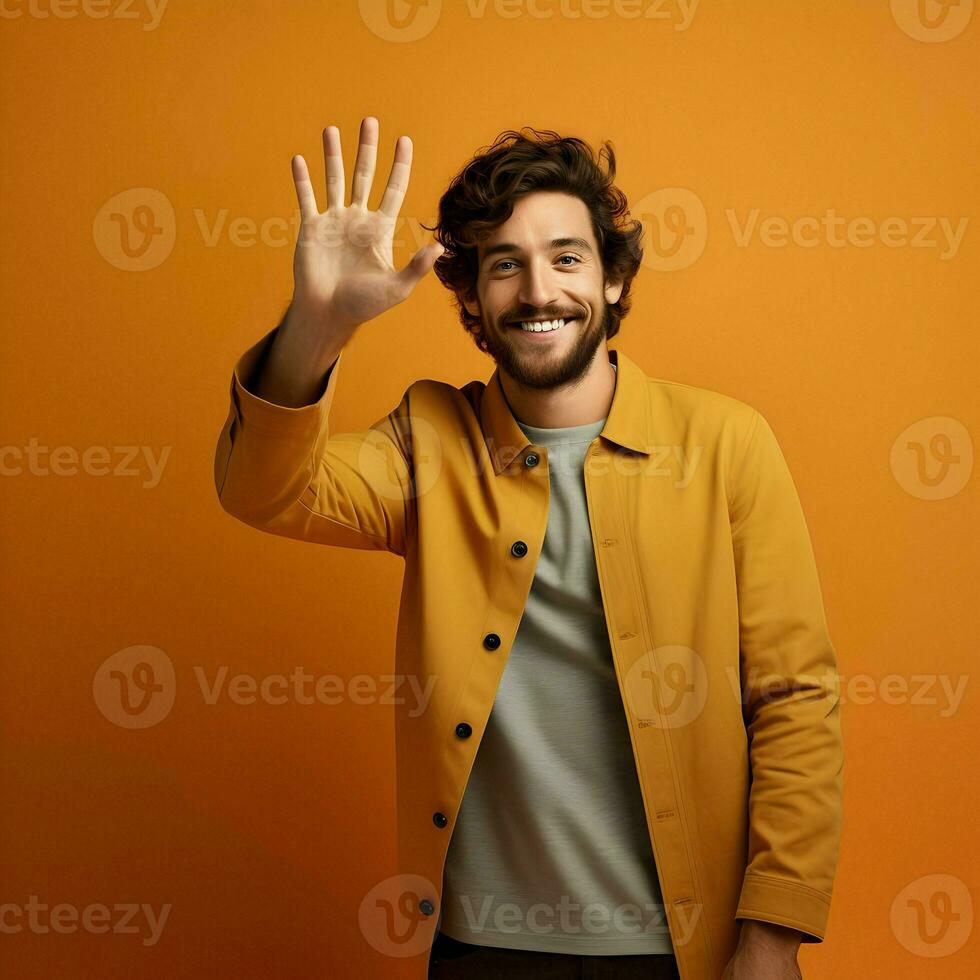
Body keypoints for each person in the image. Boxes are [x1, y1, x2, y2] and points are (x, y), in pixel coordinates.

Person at [213, 117, 843, 980]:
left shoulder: (727, 442)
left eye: (568, 258)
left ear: (616, 280)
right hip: (482, 948)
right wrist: (318, 330)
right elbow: (265, 491)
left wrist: (772, 935)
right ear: (471, 296)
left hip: (680, 951)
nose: (538, 288)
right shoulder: (428, 438)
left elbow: (796, 697)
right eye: (505, 264)